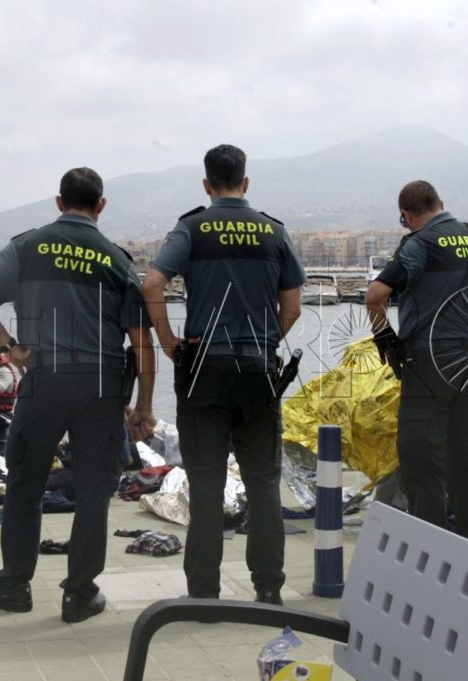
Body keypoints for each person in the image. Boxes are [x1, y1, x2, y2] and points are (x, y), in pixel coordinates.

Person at [0, 167, 156, 623]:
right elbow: (141, 342)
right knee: (93, 491)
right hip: (102, 386)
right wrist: (144, 405)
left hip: (44, 379)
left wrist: (10, 348)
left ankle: (13, 586)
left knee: (26, 485)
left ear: (58, 201)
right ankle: (80, 595)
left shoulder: (27, 246)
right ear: (101, 205)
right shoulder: (117, 260)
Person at [142, 144, 305, 605]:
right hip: (257, 371)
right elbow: (291, 306)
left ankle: (204, 595)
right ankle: (269, 590)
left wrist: (169, 342)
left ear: (207, 185)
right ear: (246, 183)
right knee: (264, 483)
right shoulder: (273, 232)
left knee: (208, 486)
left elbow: (152, 283)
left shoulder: (192, 227)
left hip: (203, 373)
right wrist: (266, 340)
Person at [365, 180, 468, 545]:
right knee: (467, 459)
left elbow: (376, 295)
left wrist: (384, 336)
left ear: (407, 214)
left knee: (420, 460)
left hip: (429, 362)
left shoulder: (420, 244)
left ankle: (431, 551)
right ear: (439, 203)